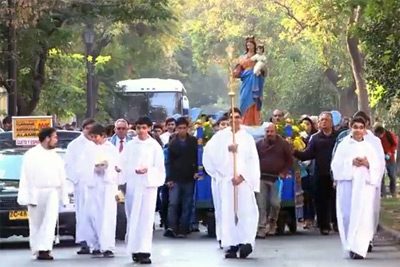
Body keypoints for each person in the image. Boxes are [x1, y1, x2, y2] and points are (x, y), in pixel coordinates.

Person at [203, 107, 260, 259]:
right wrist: (226, 151)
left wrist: (243, 176)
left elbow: (253, 161)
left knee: (246, 211)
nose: (234, 120)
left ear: (241, 119)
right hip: (227, 180)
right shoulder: (220, 137)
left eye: (237, 117)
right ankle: (232, 244)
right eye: (231, 117)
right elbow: (210, 157)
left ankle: (246, 242)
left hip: (243, 181)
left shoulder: (247, 138)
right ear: (228, 120)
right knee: (228, 213)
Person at [331, 117, 385, 259]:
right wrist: (351, 162)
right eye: (356, 127)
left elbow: (378, 167)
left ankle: (359, 248)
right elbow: (335, 165)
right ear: (351, 127)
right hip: (348, 186)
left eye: (361, 127)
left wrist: (368, 164)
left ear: (365, 129)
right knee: (347, 215)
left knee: (363, 216)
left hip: (364, 188)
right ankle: (350, 245)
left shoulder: (369, 147)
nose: (358, 130)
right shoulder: (344, 145)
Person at [17, 127, 68, 260]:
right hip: (36, 192)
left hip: (52, 192)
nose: (56, 140)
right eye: (54, 137)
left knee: (50, 222)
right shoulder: (31, 155)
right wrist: (27, 196)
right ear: (47, 138)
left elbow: (62, 176)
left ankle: (45, 248)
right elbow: (26, 177)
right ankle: (38, 249)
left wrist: (64, 195)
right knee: (36, 223)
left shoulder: (55, 156)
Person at [120, 116, 166, 264]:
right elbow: (123, 164)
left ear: (149, 128)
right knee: (133, 217)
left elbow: (159, 167)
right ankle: (134, 249)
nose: (141, 131)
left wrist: (148, 170)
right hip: (134, 185)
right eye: (138, 128)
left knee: (146, 219)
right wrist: (128, 171)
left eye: (144, 128)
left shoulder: (154, 146)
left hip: (148, 186)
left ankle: (145, 250)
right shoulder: (130, 146)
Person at [294, 112, 337, 235]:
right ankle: (324, 226)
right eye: (321, 120)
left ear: (331, 122)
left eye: (326, 120)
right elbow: (307, 154)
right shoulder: (315, 138)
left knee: (335, 200)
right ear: (318, 123)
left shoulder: (338, 137)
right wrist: (294, 151)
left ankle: (336, 223)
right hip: (320, 173)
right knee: (320, 200)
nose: (324, 122)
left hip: (335, 174)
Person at [85, 124, 119, 258]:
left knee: (107, 216)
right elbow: (84, 165)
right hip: (94, 185)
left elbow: (117, 166)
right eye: (91, 137)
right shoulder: (89, 149)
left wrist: (107, 168)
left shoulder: (111, 149)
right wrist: (93, 168)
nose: (93, 139)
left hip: (107, 186)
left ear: (103, 136)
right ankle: (96, 244)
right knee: (93, 215)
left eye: (95, 137)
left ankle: (108, 246)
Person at [65, 118, 97, 254]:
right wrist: (76, 180)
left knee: (95, 214)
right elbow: (69, 165)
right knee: (83, 214)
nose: (90, 131)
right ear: (83, 129)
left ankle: (96, 242)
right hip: (82, 185)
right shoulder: (74, 145)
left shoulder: (98, 143)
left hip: (97, 185)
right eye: (87, 128)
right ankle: (84, 242)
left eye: (92, 128)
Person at [256, 122, 293, 237]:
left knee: (275, 203)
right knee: (261, 205)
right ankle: (261, 228)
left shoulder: (283, 144)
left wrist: (284, 172)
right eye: (267, 131)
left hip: (276, 178)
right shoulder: (258, 144)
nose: (269, 133)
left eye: (272, 131)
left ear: (275, 131)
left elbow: (289, 160)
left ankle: (272, 223)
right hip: (261, 178)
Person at [164, 117, 198, 238]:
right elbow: (169, 162)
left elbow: (196, 158)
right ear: (176, 129)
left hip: (189, 177)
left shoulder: (193, 141)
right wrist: (169, 179)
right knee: (173, 203)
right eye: (180, 128)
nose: (182, 130)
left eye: (184, 128)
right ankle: (172, 227)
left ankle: (184, 228)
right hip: (175, 177)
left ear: (188, 128)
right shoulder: (172, 142)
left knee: (187, 203)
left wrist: (196, 171)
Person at [235, 36, 265, 126]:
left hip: (256, 79)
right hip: (246, 80)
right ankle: (244, 121)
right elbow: (238, 69)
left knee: (255, 100)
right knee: (244, 98)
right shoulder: (242, 57)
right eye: (248, 45)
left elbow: (263, 67)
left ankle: (255, 121)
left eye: (251, 44)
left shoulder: (258, 56)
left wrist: (260, 70)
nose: (249, 46)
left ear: (254, 46)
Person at [374, 125, 398, 198]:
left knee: (392, 176)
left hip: (390, 158)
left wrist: (390, 152)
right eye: (377, 135)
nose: (379, 136)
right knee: (381, 176)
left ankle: (393, 192)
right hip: (380, 158)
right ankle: (382, 193)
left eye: (379, 135)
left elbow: (395, 144)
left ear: (382, 132)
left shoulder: (389, 135)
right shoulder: (376, 138)